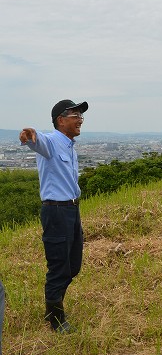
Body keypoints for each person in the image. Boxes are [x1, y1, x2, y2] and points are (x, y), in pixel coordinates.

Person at [19, 99, 89, 333]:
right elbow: (38, 140)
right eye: (75, 115)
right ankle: (55, 319)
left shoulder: (70, 145)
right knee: (59, 265)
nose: (80, 119)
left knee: (74, 264)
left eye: (81, 115)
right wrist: (31, 135)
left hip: (71, 209)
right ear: (61, 120)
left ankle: (54, 303)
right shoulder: (51, 141)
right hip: (56, 211)